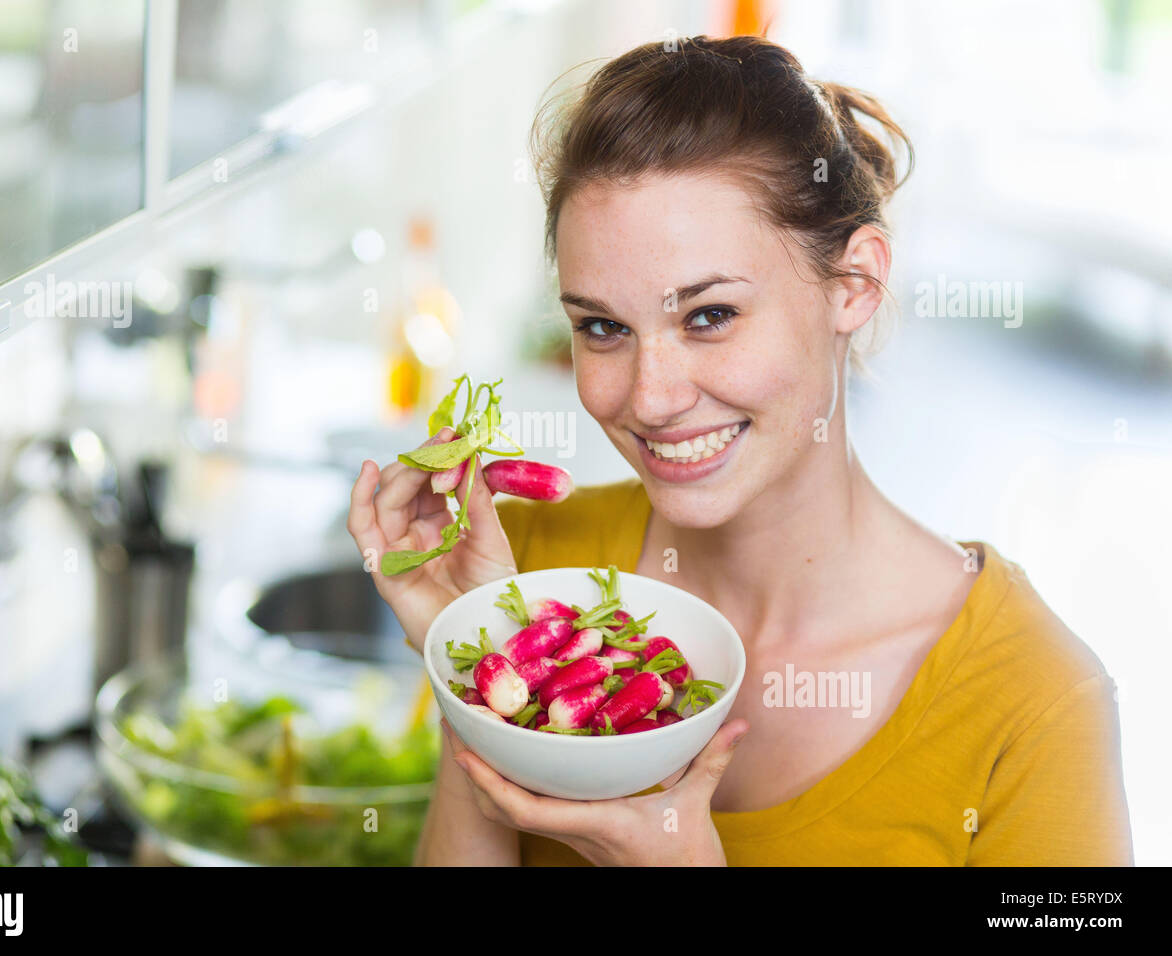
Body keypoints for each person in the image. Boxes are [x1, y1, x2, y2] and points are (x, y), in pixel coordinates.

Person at [347, 34, 1133, 866]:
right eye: (603, 327)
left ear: (855, 284)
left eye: (709, 315)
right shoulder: (534, 583)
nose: (650, 397)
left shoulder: (1038, 703)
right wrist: (477, 672)